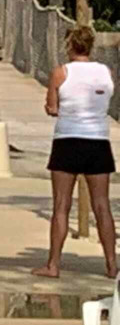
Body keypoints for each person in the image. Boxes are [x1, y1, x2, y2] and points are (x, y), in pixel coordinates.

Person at [35, 25, 116, 280]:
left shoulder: (61, 72)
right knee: (102, 205)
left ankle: (53, 264)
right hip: (98, 140)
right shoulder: (105, 72)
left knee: (61, 205)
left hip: (68, 139)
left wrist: (57, 108)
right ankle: (112, 264)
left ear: (70, 45)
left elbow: (52, 107)